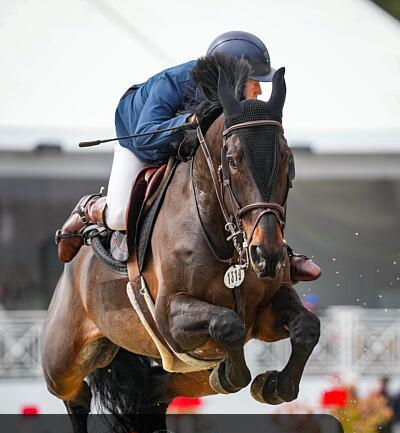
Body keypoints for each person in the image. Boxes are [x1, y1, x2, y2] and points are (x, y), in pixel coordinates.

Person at [56, 31, 321, 283]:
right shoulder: (171, 84)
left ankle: (278, 252)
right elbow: (145, 137)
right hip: (139, 141)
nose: (259, 91)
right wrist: (190, 121)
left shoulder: (229, 104)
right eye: (255, 82)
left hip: (184, 144)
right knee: (118, 215)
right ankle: (89, 209)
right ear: (233, 79)